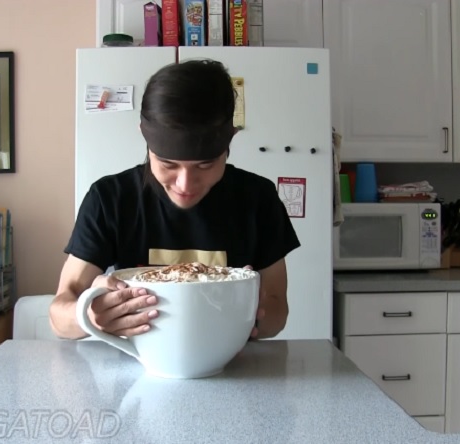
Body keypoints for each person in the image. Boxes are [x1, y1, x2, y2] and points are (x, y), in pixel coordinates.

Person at [49, 59, 300, 340]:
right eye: (168, 164)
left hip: (231, 366)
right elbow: (59, 315)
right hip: (138, 364)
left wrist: (250, 315)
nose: (185, 184)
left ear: (229, 144)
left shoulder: (258, 198)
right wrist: (90, 315)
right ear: (146, 141)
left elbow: (278, 312)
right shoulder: (110, 198)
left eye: (205, 165)